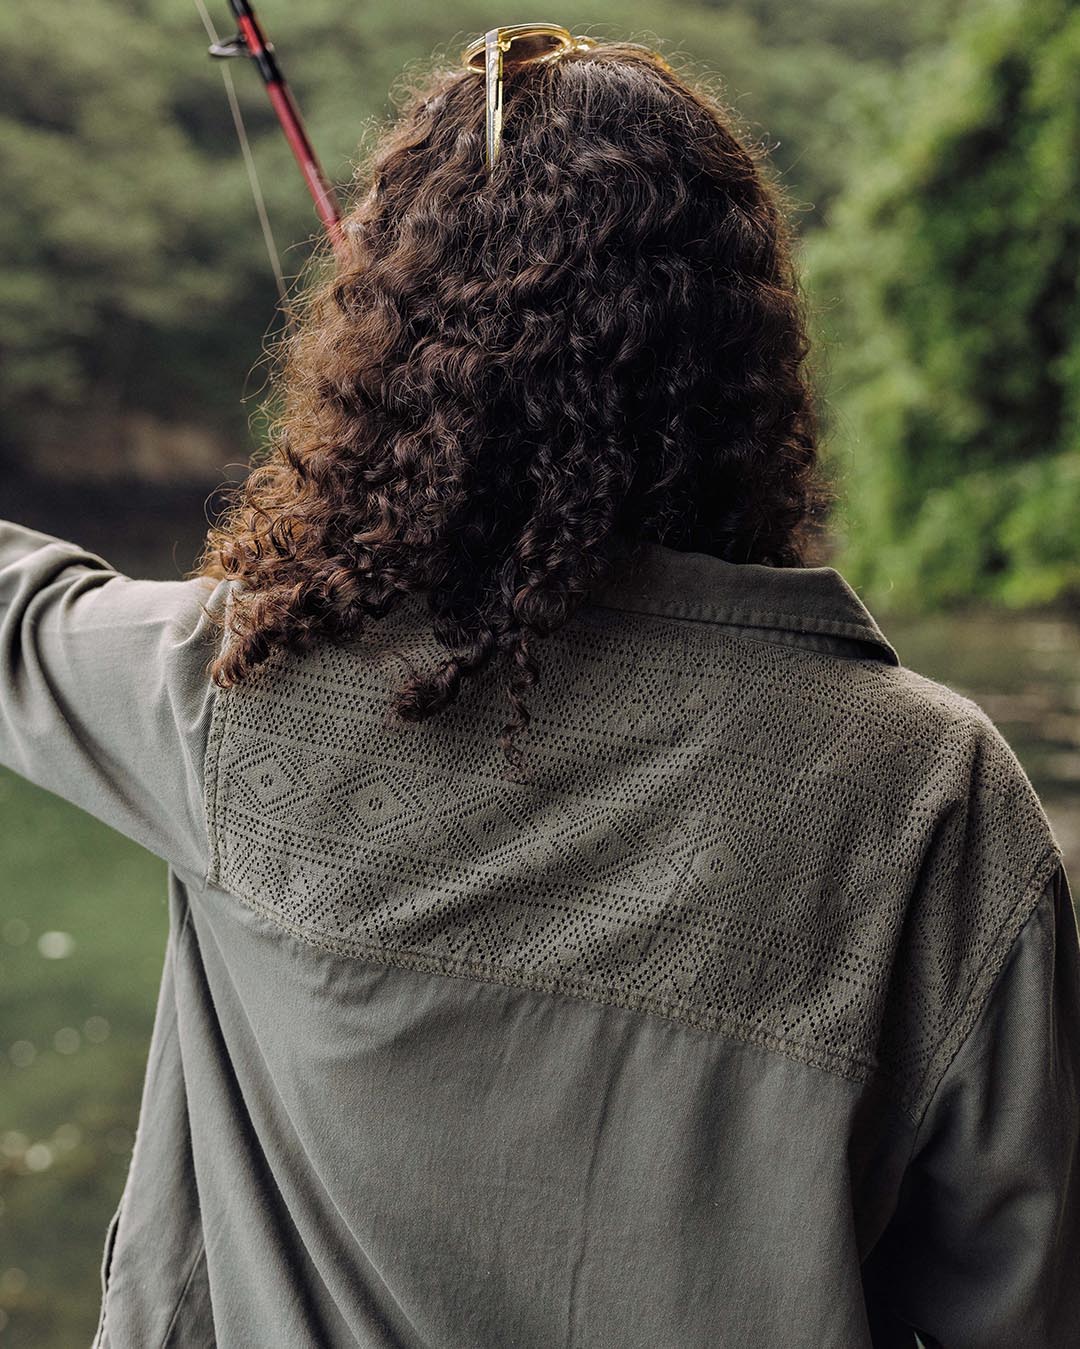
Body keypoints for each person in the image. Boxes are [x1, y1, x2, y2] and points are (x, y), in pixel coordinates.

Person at [1, 23, 1078, 1349]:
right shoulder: (932, 791)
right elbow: (1022, 1300)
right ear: (740, 357)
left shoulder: (233, 689)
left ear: (391, 349)